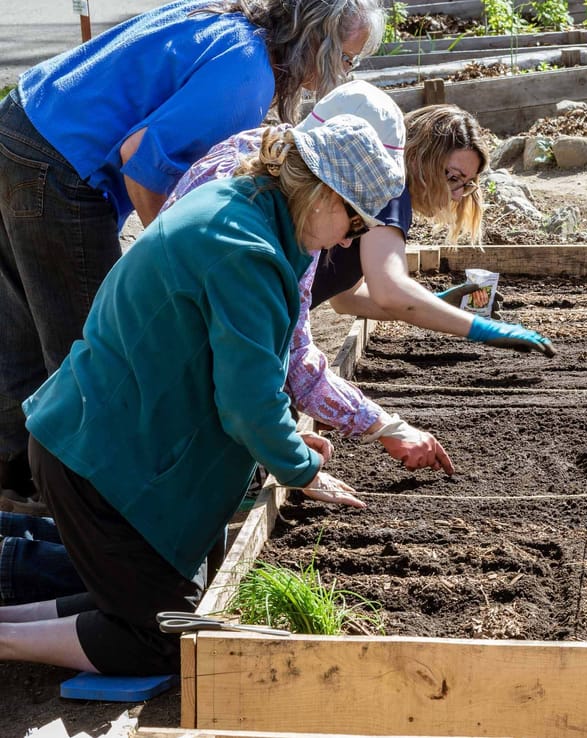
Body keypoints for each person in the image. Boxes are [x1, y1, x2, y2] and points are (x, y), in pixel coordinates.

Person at [0, 115, 405, 675]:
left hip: (99, 436)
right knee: (169, 640)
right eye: (353, 223)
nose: (346, 240)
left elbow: (231, 372)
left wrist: (285, 443)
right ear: (321, 193)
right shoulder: (248, 252)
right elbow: (248, 401)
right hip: (99, 458)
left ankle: (9, 624)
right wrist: (299, 469)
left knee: (155, 606)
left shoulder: (241, 204)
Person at [0, 0, 385, 502]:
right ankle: (88, 504)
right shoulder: (248, 74)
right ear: (319, 41)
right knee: (98, 353)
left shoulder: (225, 24)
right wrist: (181, 261)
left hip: (20, 125)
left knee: (20, 335)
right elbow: (141, 161)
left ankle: (18, 491)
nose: (342, 73)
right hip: (59, 167)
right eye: (347, 59)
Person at [163, 82, 554, 469]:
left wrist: (432, 306)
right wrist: (478, 329)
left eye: (466, 184)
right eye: (452, 177)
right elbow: (386, 293)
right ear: (419, 157)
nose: (458, 193)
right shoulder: (379, 193)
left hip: (226, 336)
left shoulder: (265, 170)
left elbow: (345, 298)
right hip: (214, 349)